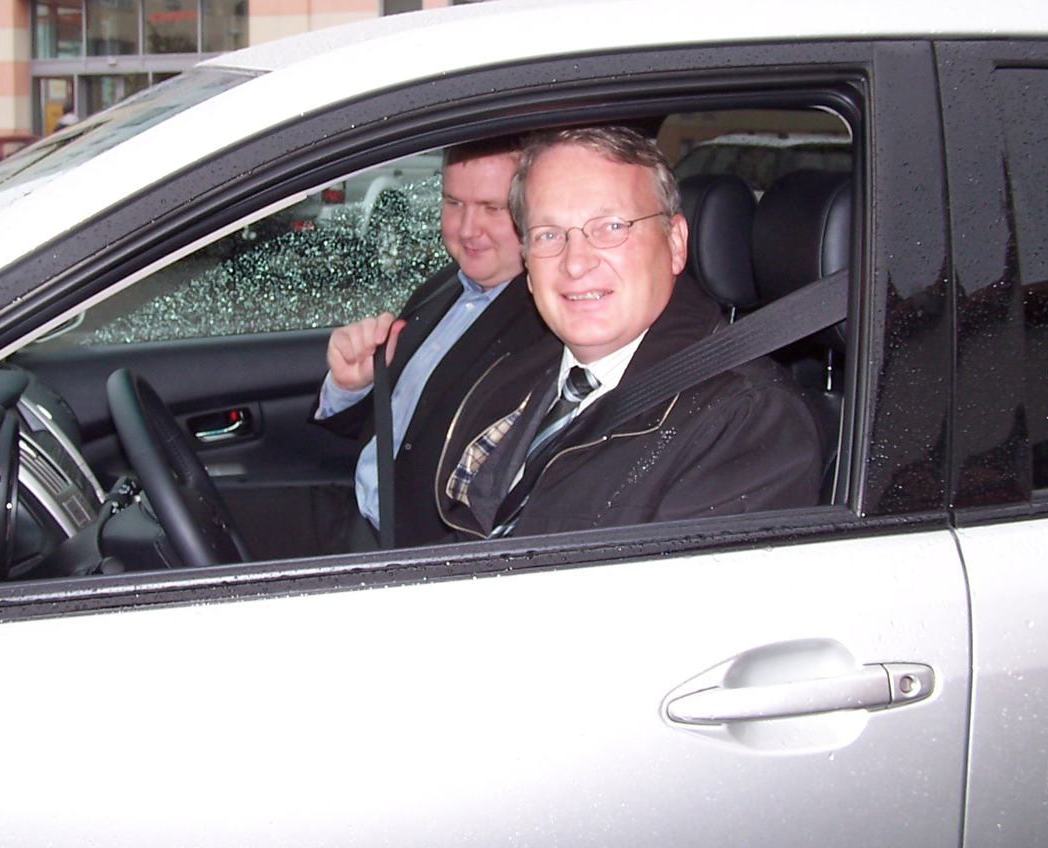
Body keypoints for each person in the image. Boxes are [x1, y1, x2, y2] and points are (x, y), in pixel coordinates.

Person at [436, 126, 822, 539]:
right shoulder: (512, 377)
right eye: (549, 234)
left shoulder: (746, 421)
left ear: (675, 243)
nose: (575, 262)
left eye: (611, 227)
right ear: (527, 263)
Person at [314, 140, 548, 548]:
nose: (467, 229)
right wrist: (352, 387)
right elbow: (397, 426)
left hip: (417, 554)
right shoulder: (442, 287)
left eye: (493, 208)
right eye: (454, 202)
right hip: (359, 515)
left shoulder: (548, 331)